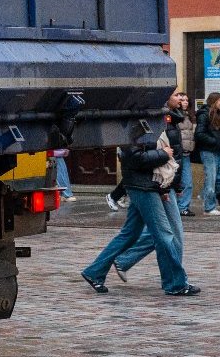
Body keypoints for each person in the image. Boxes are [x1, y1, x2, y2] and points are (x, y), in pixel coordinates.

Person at [81, 123, 197, 297]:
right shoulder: (134, 125)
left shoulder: (151, 122)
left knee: (130, 234)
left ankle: (95, 272)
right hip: (143, 186)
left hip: (148, 184)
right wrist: (163, 154)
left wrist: (164, 187)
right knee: (164, 235)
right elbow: (133, 157)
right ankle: (175, 284)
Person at [110, 96, 189, 281]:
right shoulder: (154, 118)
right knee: (168, 234)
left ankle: (115, 264)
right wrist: (166, 185)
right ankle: (175, 281)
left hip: (161, 182)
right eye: (175, 95)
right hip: (155, 183)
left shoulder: (171, 117)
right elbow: (144, 155)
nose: (179, 98)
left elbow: (173, 154)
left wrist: (175, 183)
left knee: (157, 233)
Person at [195, 93, 220, 215]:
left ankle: (204, 194)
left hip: (219, 151)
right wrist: (214, 141)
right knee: (211, 178)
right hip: (208, 151)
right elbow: (199, 134)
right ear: (213, 101)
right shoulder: (204, 115)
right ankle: (209, 208)